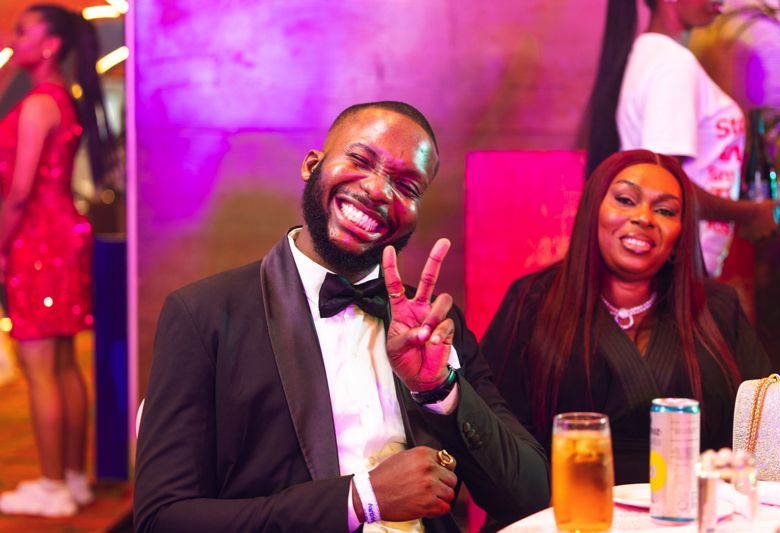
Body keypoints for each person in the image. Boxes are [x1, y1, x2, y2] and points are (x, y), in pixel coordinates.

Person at [133, 101, 551, 533]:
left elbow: (532, 498)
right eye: (361, 160)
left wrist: (438, 390)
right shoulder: (204, 316)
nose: (378, 190)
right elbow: (162, 519)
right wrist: (359, 500)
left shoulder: (433, 326)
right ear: (312, 165)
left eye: (406, 186)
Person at [481, 150, 772, 486]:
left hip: (695, 508)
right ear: (593, 210)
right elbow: (495, 432)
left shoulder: (718, 309)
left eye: (665, 211)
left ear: (680, 232)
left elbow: (766, 424)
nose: (644, 218)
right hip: (566, 508)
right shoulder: (532, 301)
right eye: (625, 200)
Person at [0, 5, 115, 518]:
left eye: (23, 31)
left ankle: (51, 487)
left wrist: (1, 245)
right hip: (63, 234)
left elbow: (19, 191)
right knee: (62, 363)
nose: (12, 37)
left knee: (40, 366)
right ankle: (71, 478)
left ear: (49, 45)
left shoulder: (37, 104)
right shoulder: (60, 98)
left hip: (37, 239)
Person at [584, 0, 780, 277]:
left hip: (674, 262)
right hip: (678, 264)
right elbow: (663, 188)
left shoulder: (651, 55)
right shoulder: (673, 66)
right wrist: (751, 214)